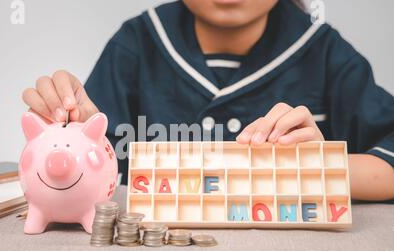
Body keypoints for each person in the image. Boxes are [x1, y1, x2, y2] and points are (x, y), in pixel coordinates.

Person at [22, 0, 394, 201]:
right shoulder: (137, 42)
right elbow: (96, 175)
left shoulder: (326, 52)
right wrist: (72, 133)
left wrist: (319, 168)